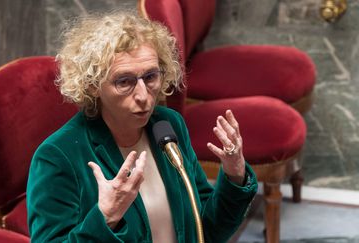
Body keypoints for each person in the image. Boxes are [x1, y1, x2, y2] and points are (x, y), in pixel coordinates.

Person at [27, 11, 258, 243]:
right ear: (92, 85)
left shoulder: (167, 126)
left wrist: (234, 176)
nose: (143, 96)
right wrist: (106, 218)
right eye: (124, 82)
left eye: (150, 77)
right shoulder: (57, 156)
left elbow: (205, 231)